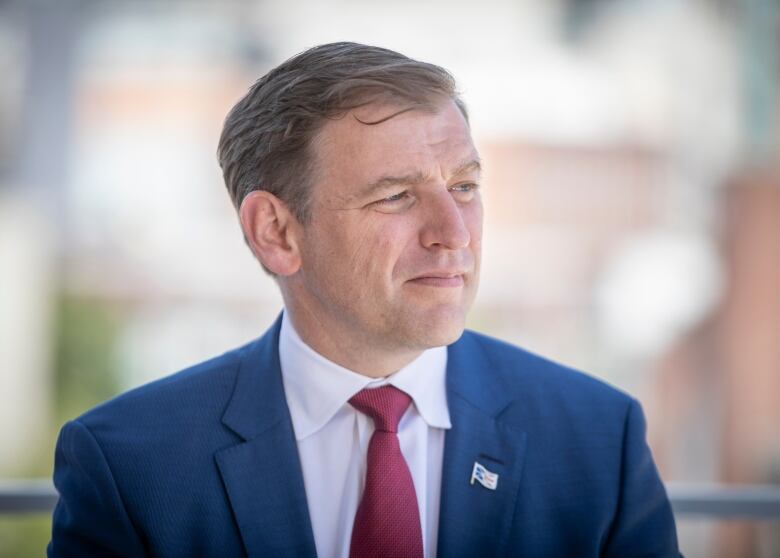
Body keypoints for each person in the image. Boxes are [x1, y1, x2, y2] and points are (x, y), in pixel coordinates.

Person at [48, 42, 680, 557]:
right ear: (277, 232)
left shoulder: (597, 439)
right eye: (396, 197)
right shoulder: (132, 464)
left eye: (464, 186)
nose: (454, 234)